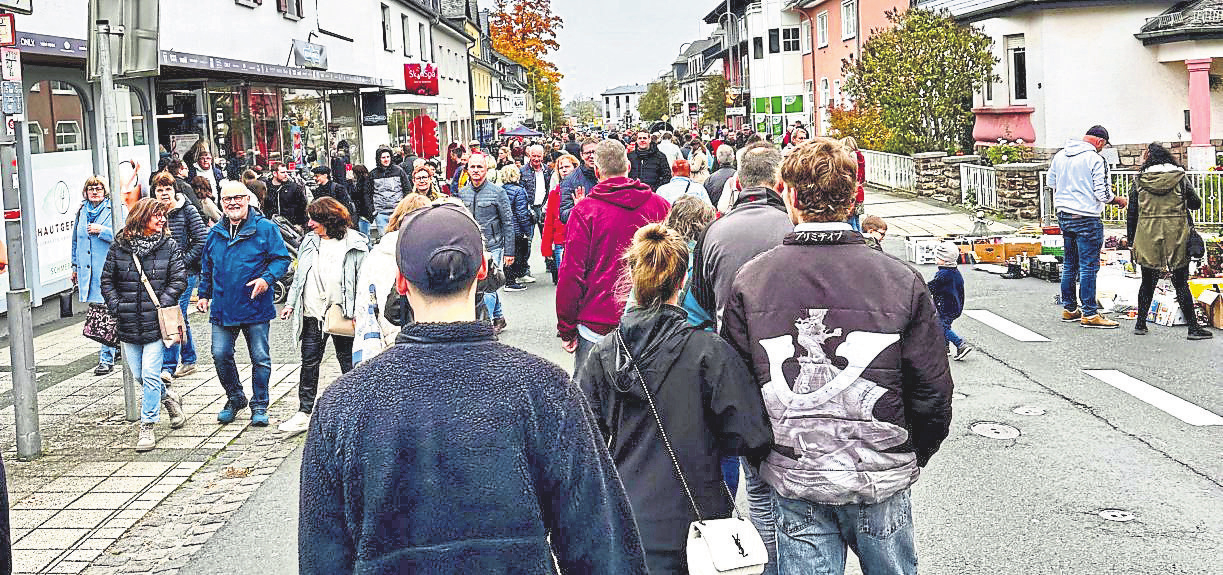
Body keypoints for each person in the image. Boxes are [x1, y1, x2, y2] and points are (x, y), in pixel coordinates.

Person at [299, 203, 648, 574]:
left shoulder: (343, 404)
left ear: (400, 281)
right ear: (482, 269)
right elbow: (602, 544)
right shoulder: (545, 388)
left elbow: (322, 556)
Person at [721, 138, 953, 575]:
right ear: (854, 197)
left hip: (798, 472)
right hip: (878, 474)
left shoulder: (752, 280)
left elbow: (735, 389)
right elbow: (932, 389)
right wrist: (908, 453)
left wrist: (766, 456)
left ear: (790, 196)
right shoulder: (899, 279)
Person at [577, 223, 772, 575]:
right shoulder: (708, 351)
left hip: (627, 515)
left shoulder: (604, 354)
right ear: (683, 281)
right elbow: (750, 434)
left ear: (632, 276)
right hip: (699, 517)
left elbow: (582, 441)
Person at [688, 140, 790, 570]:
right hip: (793, 366)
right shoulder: (792, 226)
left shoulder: (715, 232)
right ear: (779, 182)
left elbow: (699, 303)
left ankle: (768, 565)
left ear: (737, 183)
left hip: (736, 369)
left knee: (758, 483)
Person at [555, 139, 670, 377]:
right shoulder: (659, 206)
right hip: (648, 319)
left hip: (597, 323)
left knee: (590, 393)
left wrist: (567, 327)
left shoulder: (585, 211)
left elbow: (571, 273)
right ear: (628, 166)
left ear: (597, 172)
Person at [196, 181, 293, 427]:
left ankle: (260, 404)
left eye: (238, 197)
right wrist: (204, 294)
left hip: (255, 306)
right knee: (220, 354)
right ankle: (235, 397)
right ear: (221, 203)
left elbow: (282, 260)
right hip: (223, 306)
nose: (233, 203)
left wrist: (266, 279)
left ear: (248, 199)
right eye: (228, 199)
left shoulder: (266, 229)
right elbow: (207, 266)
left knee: (260, 358)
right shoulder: (215, 233)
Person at [100, 198, 188, 451]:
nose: (162, 219)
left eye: (163, 215)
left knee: (150, 374)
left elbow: (179, 278)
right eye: (156, 215)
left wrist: (164, 301)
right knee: (139, 375)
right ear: (141, 216)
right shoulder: (120, 246)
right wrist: (117, 305)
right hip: (127, 321)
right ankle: (168, 398)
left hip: (156, 322)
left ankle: (147, 426)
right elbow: (107, 280)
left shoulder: (168, 245)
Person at [278, 198, 370, 435]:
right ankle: (304, 412)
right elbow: (300, 276)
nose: (309, 224)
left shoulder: (356, 243)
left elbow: (364, 281)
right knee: (309, 362)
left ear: (329, 220)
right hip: (312, 311)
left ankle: (358, 411)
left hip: (344, 312)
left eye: (314, 219)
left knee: (348, 362)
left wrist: (361, 312)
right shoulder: (309, 241)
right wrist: (290, 304)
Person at [1127, 143, 1212, 340]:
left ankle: (1140, 324)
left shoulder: (1139, 180)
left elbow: (1132, 212)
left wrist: (1131, 241)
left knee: (1147, 281)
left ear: (1148, 158)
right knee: (1181, 281)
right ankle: (1193, 328)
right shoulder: (1179, 178)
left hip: (1147, 233)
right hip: (1177, 233)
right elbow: (1195, 203)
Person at [1048, 125, 1128, 328]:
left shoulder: (1060, 155)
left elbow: (1051, 182)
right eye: (1103, 146)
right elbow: (1102, 193)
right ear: (1100, 142)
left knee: (1070, 264)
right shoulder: (1095, 159)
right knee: (1088, 267)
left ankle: (1069, 309)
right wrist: (1118, 200)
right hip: (1086, 217)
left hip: (1064, 214)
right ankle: (1090, 314)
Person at [352, 195, 434, 364]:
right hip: (421, 334)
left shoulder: (378, 252)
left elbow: (364, 296)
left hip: (384, 334)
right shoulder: (428, 251)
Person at [151, 172, 207, 382]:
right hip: (160, 274)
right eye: (160, 190)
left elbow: (201, 240)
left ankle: (168, 367)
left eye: (168, 189)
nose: (164, 193)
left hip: (185, 273)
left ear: (175, 190)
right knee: (178, 316)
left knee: (173, 315)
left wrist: (182, 262)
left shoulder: (187, 210)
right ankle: (189, 359)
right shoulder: (152, 212)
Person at [456, 153, 515, 332]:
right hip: (470, 248)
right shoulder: (462, 193)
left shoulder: (498, 192)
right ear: (467, 169)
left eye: (479, 167)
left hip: (493, 246)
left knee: (487, 285)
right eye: (472, 167)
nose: (476, 170)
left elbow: (508, 222)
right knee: (485, 285)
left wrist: (509, 251)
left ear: (486, 169)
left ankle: (485, 326)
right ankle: (499, 317)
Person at [72, 177, 122, 376]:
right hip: (90, 272)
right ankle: (115, 346)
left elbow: (125, 234)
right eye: (91, 188)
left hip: (111, 271)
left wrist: (103, 231)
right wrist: (74, 267)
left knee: (107, 312)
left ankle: (106, 359)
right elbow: (75, 241)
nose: (94, 192)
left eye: (98, 188)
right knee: (102, 312)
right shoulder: (82, 211)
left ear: (105, 191)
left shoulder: (115, 208)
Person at [930, 241, 973, 360]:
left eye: (938, 257)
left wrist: (921, 288)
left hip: (946, 307)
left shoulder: (943, 274)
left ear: (945, 260)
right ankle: (945, 348)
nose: (935, 258)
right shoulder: (954, 272)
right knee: (945, 326)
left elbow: (933, 287)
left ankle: (960, 344)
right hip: (955, 305)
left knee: (941, 326)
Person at [541, 154, 577, 283]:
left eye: (567, 166)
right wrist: (546, 248)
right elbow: (549, 222)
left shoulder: (582, 189)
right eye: (561, 168)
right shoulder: (554, 193)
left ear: (575, 168)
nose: (564, 170)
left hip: (578, 240)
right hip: (560, 241)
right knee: (564, 281)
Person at [499, 165, 534, 291]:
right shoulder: (519, 191)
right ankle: (511, 281)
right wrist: (527, 230)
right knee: (518, 253)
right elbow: (521, 213)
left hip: (504, 227)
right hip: (517, 227)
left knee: (509, 252)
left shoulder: (500, 190)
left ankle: (509, 278)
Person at [370, 146, 412, 235]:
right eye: (383, 157)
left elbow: (407, 190)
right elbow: (367, 193)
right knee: (384, 238)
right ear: (379, 159)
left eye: (388, 157)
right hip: (380, 213)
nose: (386, 160)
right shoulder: (373, 174)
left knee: (399, 237)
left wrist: (405, 208)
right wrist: (373, 211)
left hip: (397, 212)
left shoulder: (399, 171)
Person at [558, 138, 601, 223]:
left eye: (595, 152)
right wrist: (578, 208)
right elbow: (563, 216)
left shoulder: (608, 174)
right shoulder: (569, 180)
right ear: (581, 155)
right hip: (584, 229)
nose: (592, 156)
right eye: (588, 153)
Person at [521, 144, 553, 237]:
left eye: (538, 156)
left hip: (543, 207)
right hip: (528, 208)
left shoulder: (548, 170)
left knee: (546, 236)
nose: (536, 159)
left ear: (542, 156)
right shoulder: (522, 171)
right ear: (529, 156)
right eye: (533, 156)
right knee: (528, 239)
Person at [267, 161, 308, 227]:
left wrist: (299, 224)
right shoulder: (267, 187)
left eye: (286, 172)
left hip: (290, 225)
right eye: (282, 172)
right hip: (271, 225)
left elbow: (302, 206)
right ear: (274, 173)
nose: (286, 174)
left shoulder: (294, 187)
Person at [842, 136, 866, 231]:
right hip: (859, 191)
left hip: (850, 192)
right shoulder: (860, 157)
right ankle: (859, 235)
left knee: (850, 221)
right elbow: (862, 177)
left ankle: (854, 236)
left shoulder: (847, 159)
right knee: (856, 219)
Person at [349, 164, 376, 236]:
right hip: (366, 211)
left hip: (363, 212)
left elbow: (356, 195)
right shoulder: (367, 180)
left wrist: (350, 183)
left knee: (364, 233)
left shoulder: (362, 182)